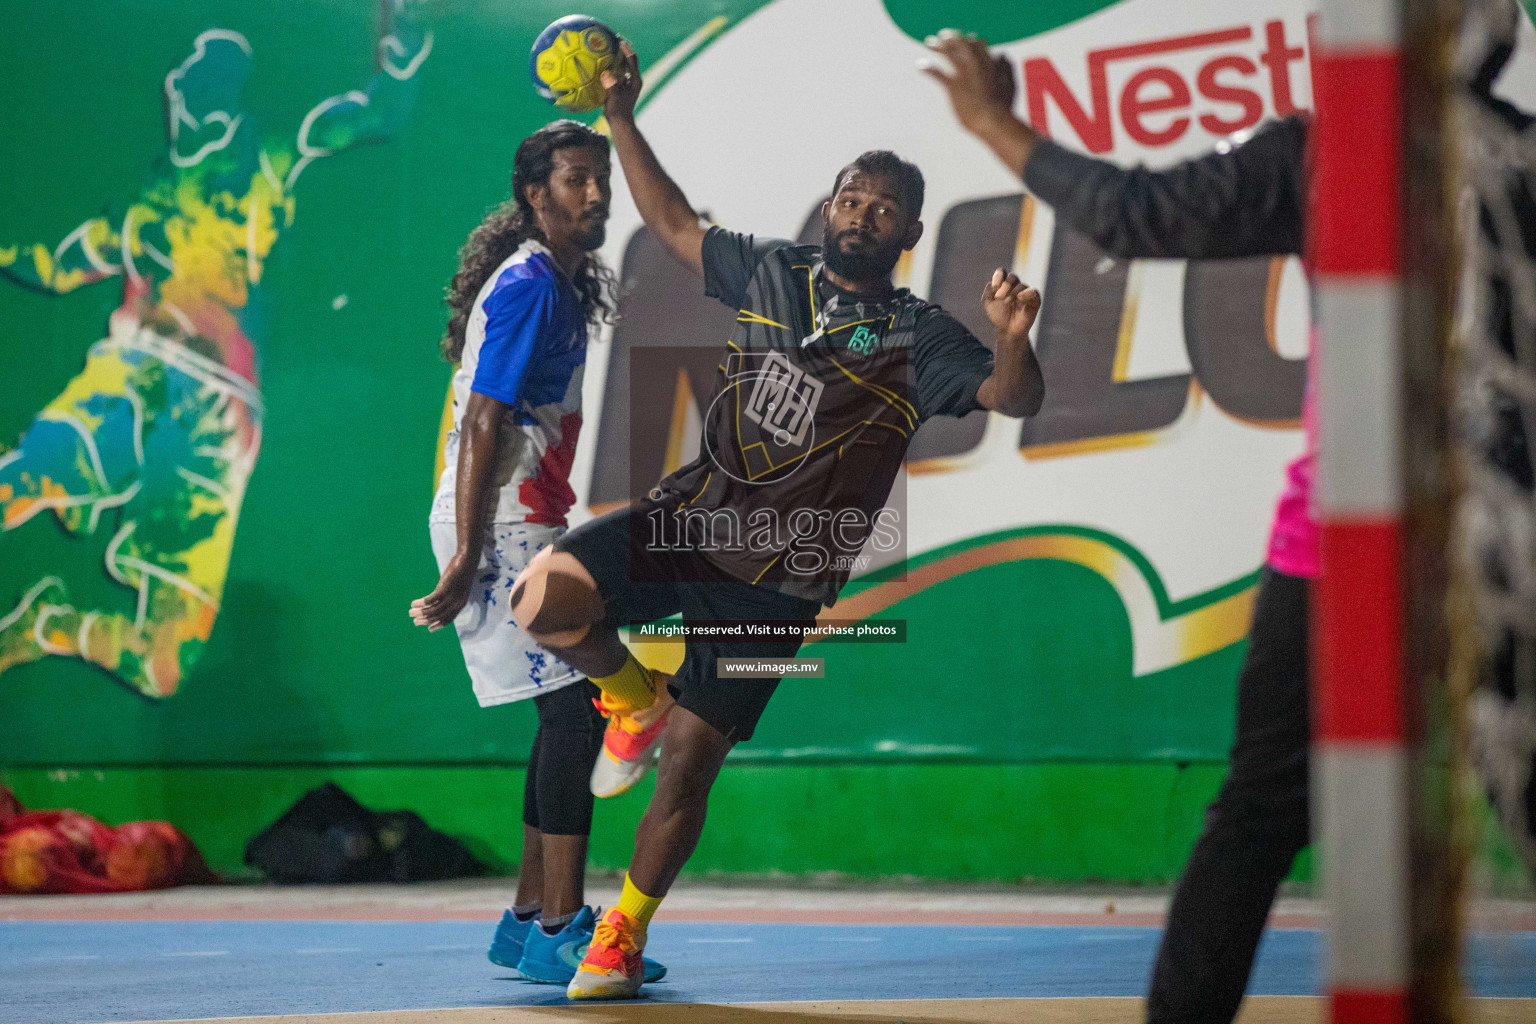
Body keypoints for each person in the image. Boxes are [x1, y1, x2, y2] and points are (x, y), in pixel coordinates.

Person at [506, 41, 1046, 1000]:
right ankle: (632, 694)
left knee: (689, 770)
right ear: (828, 204)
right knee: (544, 597)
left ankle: (621, 933)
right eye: (848, 197)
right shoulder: (770, 273)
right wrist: (621, 115)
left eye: (880, 207)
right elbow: (671, 223)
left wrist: (1012, 339)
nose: (858, 215)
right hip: (690, 522)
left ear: (908, 231)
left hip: (779, 587)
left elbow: (1013, 397)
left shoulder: (922, 337)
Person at [921, 30, 1308, 1024]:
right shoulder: (1510, 155)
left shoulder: (1324, 154)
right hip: (1492, 527)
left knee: (1262, 808)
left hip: (1350, 540)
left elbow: (1130, 214)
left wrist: (991, 122)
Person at [0, 2, 432, 698]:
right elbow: (54, 265)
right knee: (15, 488)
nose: (198, 94)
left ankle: (50, 625)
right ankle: (70, 485)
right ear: (175, 95)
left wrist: (405, 42)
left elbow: (373, 115)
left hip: (219, 415)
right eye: (190, 81)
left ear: (231, 97)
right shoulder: (143, 201)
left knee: (162, 666)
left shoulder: (265, 162)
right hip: (135, 376)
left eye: (217, 81)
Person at [408, 120, 663, 988]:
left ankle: (526, 922)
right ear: (533, 194)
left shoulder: (552, 279)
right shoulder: (527, 284)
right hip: (503, 521)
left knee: (561, 716)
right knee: (576, 714)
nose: (595, 194)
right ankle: (560, 925)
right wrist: (468, 553)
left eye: (601, 180)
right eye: (575, 179)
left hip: (510, 515)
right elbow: (484, 418)